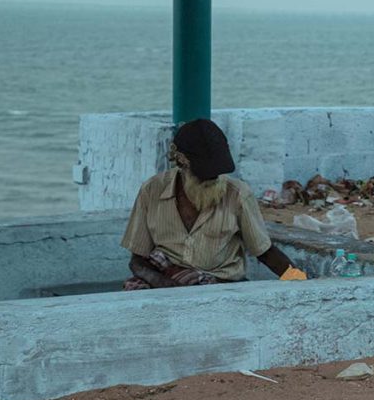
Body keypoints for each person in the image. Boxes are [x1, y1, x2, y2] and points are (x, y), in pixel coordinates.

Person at [120, 118, 299, 289]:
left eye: (216, 176)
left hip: (220, 284)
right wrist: (170, 287)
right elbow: (137, 260)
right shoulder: (152, 190)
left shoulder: (238, 195)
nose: (213, 180)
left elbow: (265, 252)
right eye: (205, 176)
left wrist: (301, 283)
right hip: (166, 278)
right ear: (182, 163)